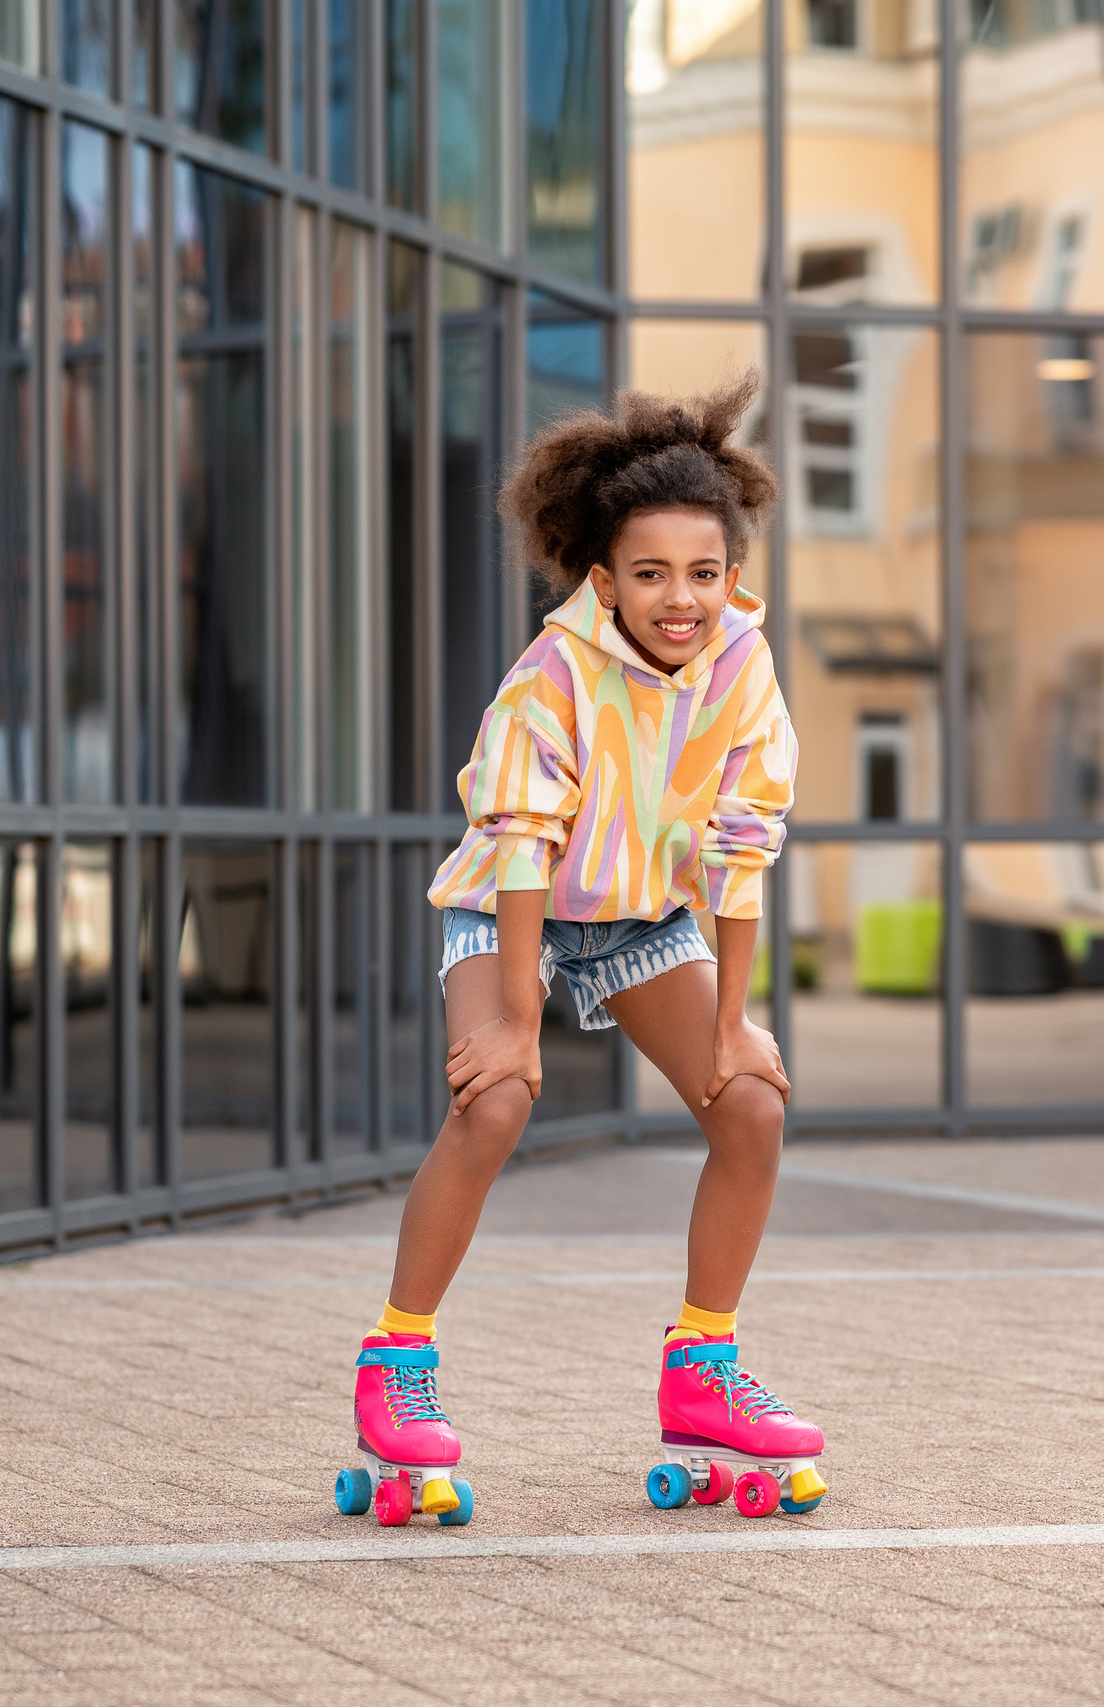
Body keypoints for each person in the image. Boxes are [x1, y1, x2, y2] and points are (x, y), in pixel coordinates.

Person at [337, 372, 826, 1529]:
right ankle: (394, 1363)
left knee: (750, 1104)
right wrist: (516, 1020)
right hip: (509, 900)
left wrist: (731, 1023)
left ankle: (702, 1370)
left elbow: (741, 846)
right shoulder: (550, 677)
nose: (679, 597)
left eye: (702, 572)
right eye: (650, 574)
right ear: (604, 581)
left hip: (639, 915)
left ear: (731, 575)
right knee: (496, 1102)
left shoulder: (743, 668)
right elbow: (520, 849)